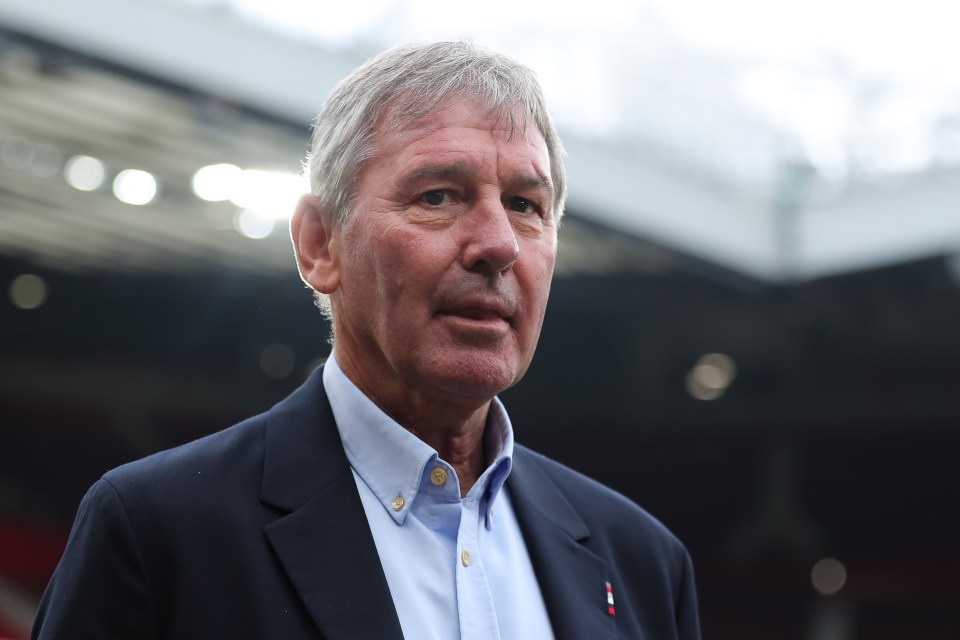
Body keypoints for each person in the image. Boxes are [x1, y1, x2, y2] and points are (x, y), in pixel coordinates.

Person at [33, 41, 701, 639]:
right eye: (439, 195)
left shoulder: (641, 562)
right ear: (320, 245)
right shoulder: (159, 533)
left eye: (526, 205)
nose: (498, 244)